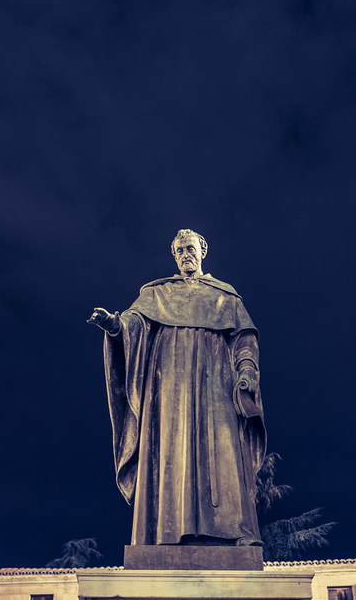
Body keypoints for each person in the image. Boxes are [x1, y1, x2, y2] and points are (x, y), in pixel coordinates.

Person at [88, 229, 265, 546]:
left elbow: (244, 338)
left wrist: (247, 368)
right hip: (168, 383)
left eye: (191, 249)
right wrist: (114, 326)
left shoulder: (224, 295)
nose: (186, 254)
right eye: (179, 250)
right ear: (174, 256)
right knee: (171, 449)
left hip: (217, 381)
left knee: (223, 446)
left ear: (203, 250)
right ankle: (165, 532)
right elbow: (134, 323)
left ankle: (235, 531)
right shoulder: (158, 293)